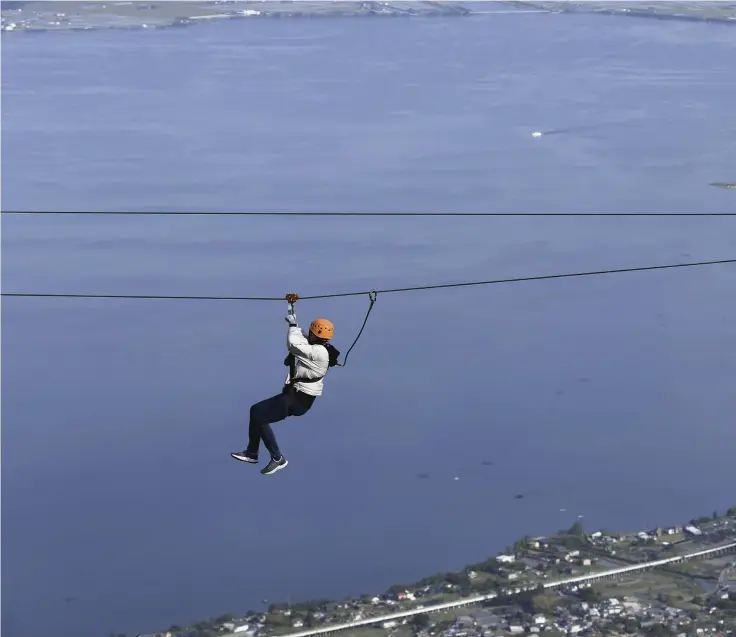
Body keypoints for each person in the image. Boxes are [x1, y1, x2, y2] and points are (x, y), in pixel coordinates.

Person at [231, 294, 339, 475]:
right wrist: (291, 307)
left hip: (297, 399)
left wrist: (292, 324)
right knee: (256, 411)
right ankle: (252, 452)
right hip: (298, 398)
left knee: (259, 415)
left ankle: (277, 458)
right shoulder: (320, 348)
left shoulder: (318, 352)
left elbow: (294, 343)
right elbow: (302, 338)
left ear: (315, 334)